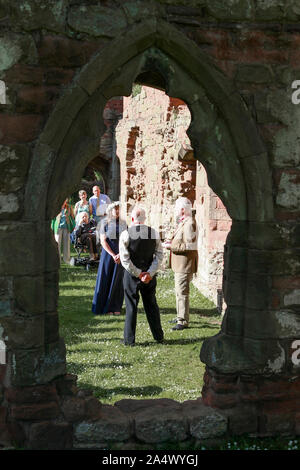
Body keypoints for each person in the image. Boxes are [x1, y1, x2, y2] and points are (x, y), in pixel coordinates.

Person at [119, 206, 164, 346]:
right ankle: (158, 336)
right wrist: (149, 273)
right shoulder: (154, 233)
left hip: (132, 276)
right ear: (145, 219)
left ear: (132, 219)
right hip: (149, 276)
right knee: (151, 305)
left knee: (131, 306)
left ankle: (129, 340)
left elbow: (124, 259)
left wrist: (138, 273)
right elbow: (160, 255)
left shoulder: (125, 234)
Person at [163, 197, 198, 331]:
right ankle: (180, 316)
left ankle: (182, 321)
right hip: (180, 263)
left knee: (182, 292)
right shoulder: (184, 222)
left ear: (183, 210)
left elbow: (190, 246)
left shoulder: (190, 223)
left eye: (177, 208)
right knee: (179, 291)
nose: (175, 211)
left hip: (185, 263)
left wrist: (170, 246)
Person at [92, 202, 126, 316]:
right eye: (114, 209)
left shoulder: (124, 224)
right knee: (106, 278)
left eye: (118, 209)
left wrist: (120, 254)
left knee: (117, 281)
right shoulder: (103, 223)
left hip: (120, 255)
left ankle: (115, 306)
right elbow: (103, 241)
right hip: (108, 256)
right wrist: (113, 255)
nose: (116, 211)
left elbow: (127, 241)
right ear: (109, 211)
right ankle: (103, 306)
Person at [51, 198, 75, 265]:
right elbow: (53, 218)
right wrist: (52, 227)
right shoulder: (56, 207)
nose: (64, 201)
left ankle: (66, 259)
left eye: (65, 200)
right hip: (58, 227)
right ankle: (57, 259)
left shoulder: (69, 207)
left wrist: (72, 226)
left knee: (66, 244)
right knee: (57, 243)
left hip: (66, 227)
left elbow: (72, 217)